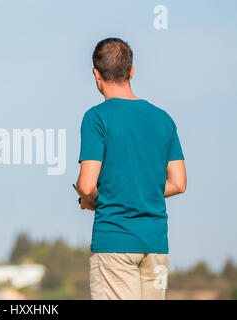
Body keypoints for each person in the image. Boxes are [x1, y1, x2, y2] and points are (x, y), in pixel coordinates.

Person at [76, 38, 186, 300]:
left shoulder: (96, 118)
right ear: (132, 71)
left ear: (96, 74)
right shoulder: (163, 118)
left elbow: (87, 185)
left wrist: (90, 200)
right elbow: (179, 183)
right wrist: (140, 193)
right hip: (156, 246)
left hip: (115, 241)